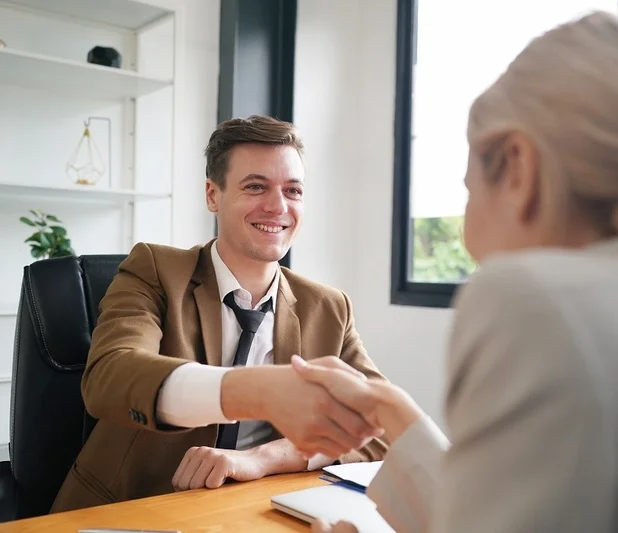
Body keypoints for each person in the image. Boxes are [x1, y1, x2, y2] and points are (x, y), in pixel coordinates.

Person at [291, 10, 618, 533]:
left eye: (468, 191)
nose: (466, 237)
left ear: (518, 167)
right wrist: (395, 414)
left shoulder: (534, 300)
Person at [50, 115, 388, 513]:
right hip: (132, 507)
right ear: (213, 195)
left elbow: (378, 430)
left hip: (253, 509)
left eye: (293, 190)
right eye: (256, 186)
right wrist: (256, 390)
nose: (278, 206)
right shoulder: (156, 269)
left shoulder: (329, 307)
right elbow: (110, 376)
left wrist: (262, 459)